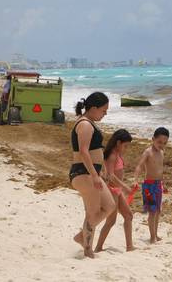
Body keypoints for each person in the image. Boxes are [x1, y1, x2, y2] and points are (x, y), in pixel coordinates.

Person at [70, 92, 116, 258]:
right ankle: (88, 250)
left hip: (91, 172)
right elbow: (83, 152)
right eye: (103, 110)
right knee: (93, 212)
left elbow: (95, 151)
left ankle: (82, 237)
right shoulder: (85, 125)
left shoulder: (89, 123)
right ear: (94, 108)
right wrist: (94, 175)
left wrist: (101, 170)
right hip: (83, 173)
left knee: (109, 206)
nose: (105, 114)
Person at [95, 129, 136, 252]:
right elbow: (110, 176)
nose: (126, 148)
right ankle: (98, 247)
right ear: (118, 143)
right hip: (111, 190)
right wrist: (125, 187)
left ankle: (129, 246)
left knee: (128, 216)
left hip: (116, 190)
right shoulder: (112, 155)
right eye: (125, 146)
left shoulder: (117, 154)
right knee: (111, 221)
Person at [133, 127, 169, 244]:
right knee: (152, 212)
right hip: (149, 185)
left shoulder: (162, 152)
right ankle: (152, 237)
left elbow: (160, 170)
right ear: (153, 139)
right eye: (159, 142)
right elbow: (139, 166)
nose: (161, 145)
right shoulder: (148, 152)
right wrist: (135, 180)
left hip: (158, 184)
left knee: (158, 211)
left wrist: (164, 184)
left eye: (164, 143)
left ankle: (156, 234)